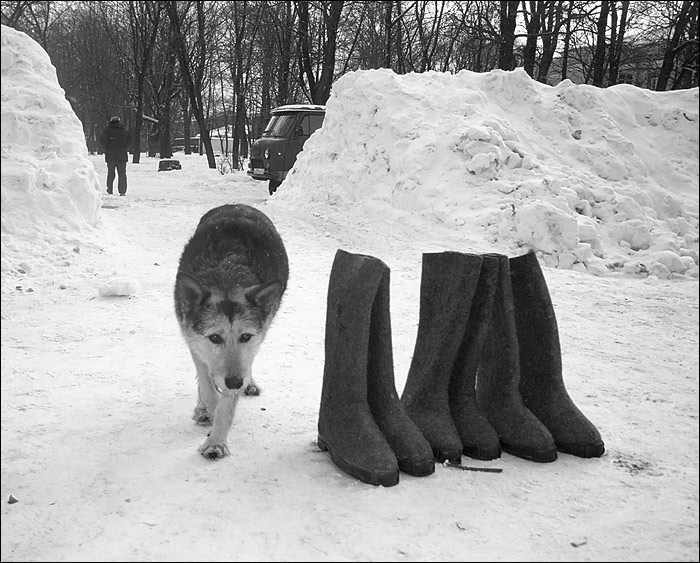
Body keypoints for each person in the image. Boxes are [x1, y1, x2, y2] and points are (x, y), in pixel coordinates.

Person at [98, 116, 131, 196]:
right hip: (122, 155)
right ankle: (122, 191)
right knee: (122, 174)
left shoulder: (107, 131)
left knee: (110, 173)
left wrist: (107, 148)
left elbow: (103, 141)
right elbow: (129, 142)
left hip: (110, 155)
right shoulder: (125, 131)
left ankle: (110, 189)